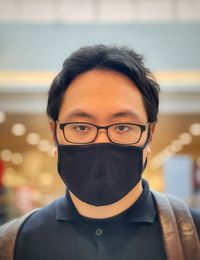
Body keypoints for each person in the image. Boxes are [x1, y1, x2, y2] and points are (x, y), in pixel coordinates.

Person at [1, 45, 200, 260]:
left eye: (122, 127)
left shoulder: (192, 236)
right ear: (54, 133)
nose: (101, 141)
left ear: (149, 134)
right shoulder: (13, 244)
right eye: (81, 127)